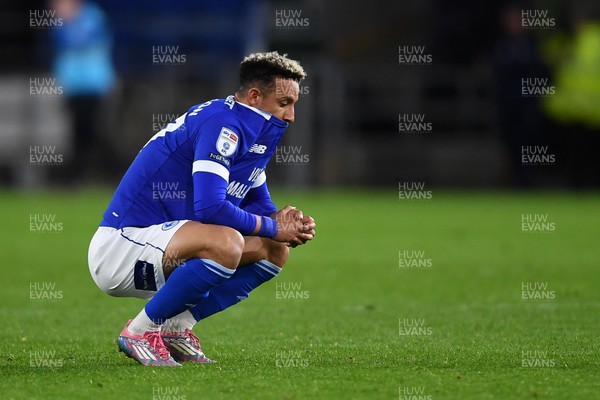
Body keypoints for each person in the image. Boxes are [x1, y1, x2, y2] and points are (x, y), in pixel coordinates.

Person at [88, 52, 316, 367]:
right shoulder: (222, 124)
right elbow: (210, 208)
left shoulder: (252, 130)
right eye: (284, 103)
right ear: (254, 96)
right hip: (122, 246)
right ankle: (139, 331)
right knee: (227, 242)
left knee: (274, 249)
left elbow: (258, 202)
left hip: (165, 245)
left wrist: (283, 223)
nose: (291, 115)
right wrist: (273, 225)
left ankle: (176, 328)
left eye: (294, 104)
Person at [51, 0, 116, 182]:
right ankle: (78, 176)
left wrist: (67, 22)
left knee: (94, 131)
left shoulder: (92, 16)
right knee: (77, 132)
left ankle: (112, 172)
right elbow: (59, 43)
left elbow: (82, 40)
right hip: (73, 86)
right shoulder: (60, 22)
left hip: (93, 84)